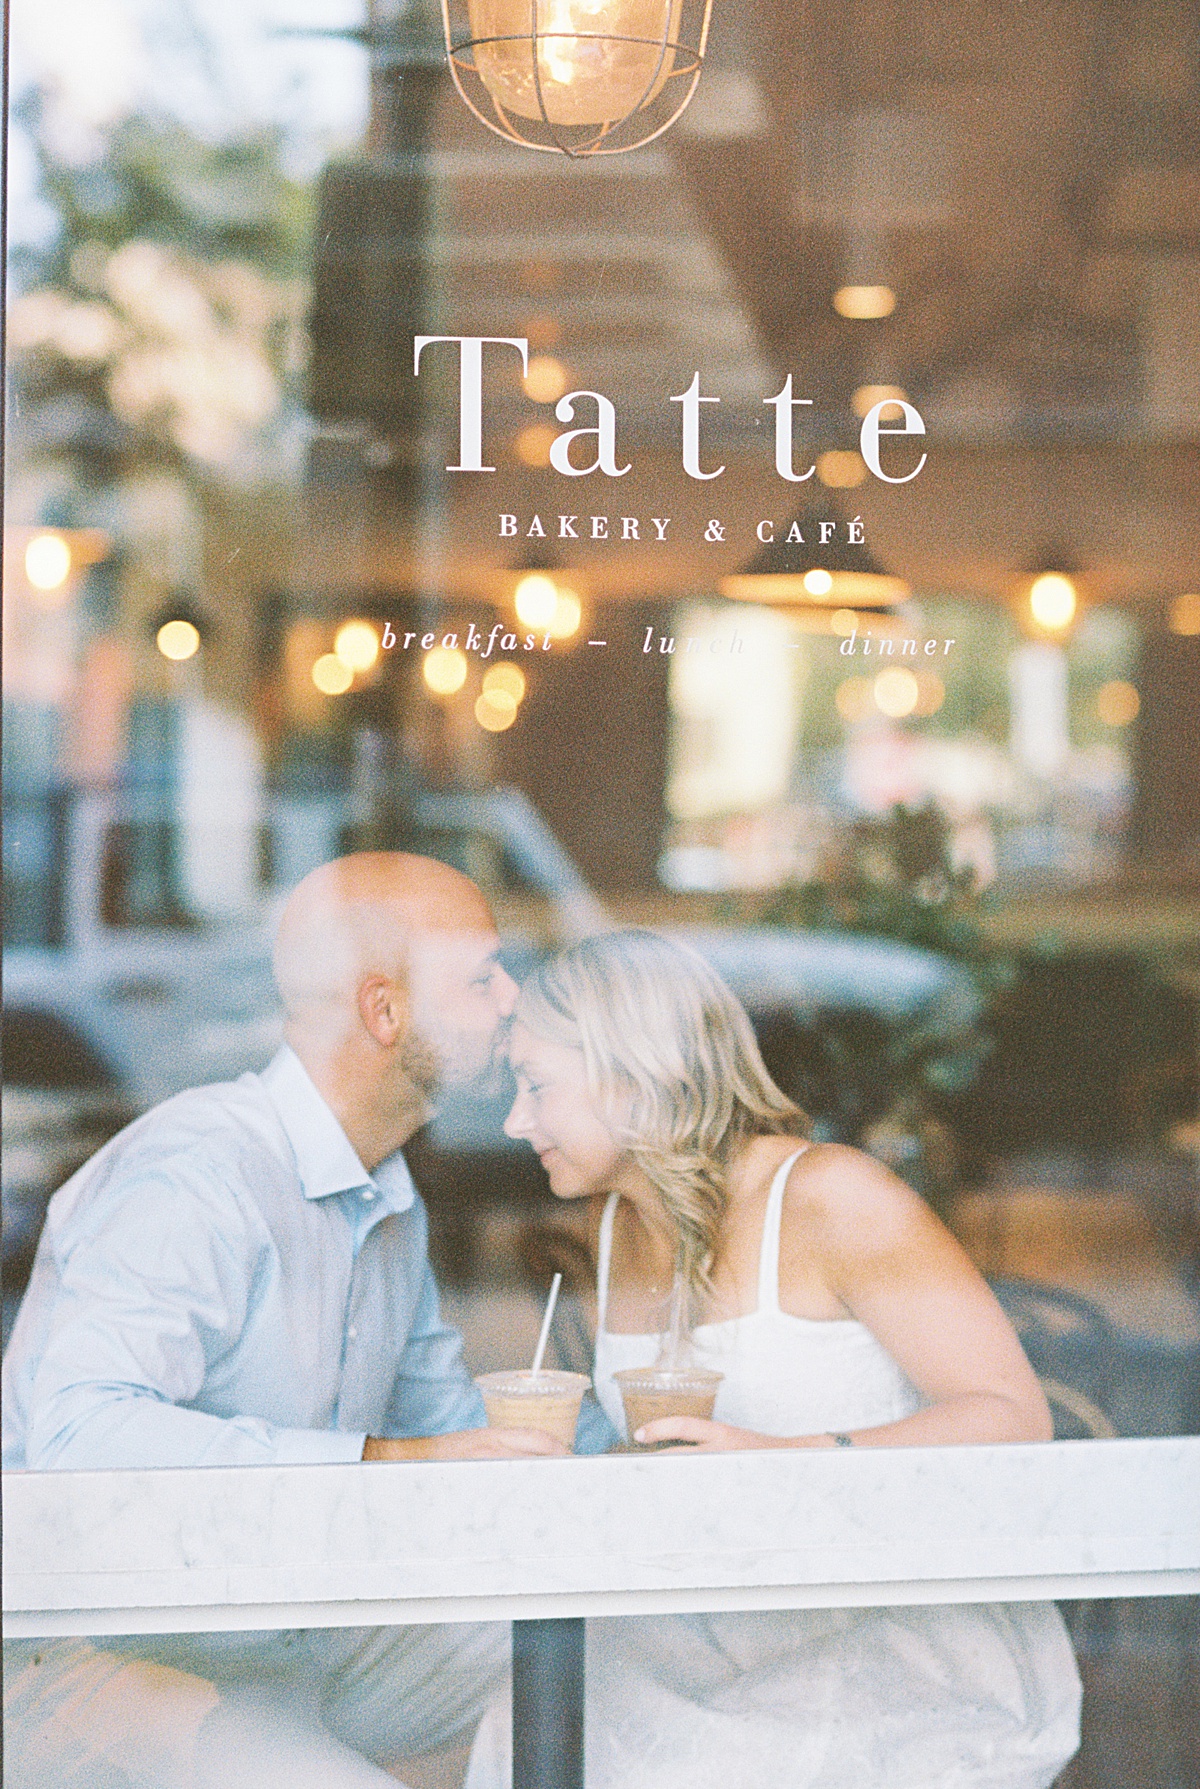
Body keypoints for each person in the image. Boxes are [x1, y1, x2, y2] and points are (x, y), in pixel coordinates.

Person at [466, 928, 1083, 1789]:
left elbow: (1016, 1420)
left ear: (634, 1072)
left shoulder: (834, 1198)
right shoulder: (615, 1226)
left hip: (889, 1634)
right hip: (711, 1632)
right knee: (520, 1723)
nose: (513, 1122)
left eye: (536, 1087)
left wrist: (783, 1463)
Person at [2, 852, 568, 1789]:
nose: (512, 1000)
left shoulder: (388, 1195)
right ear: (384, 1011)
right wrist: (384, 1461)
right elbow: (82, 1434)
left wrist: (644, 1452)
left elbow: (454, 1433)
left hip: (287, 1634)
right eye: (480, 977)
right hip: (80, 1655)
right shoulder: (198, 1172)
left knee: (597, 1656)